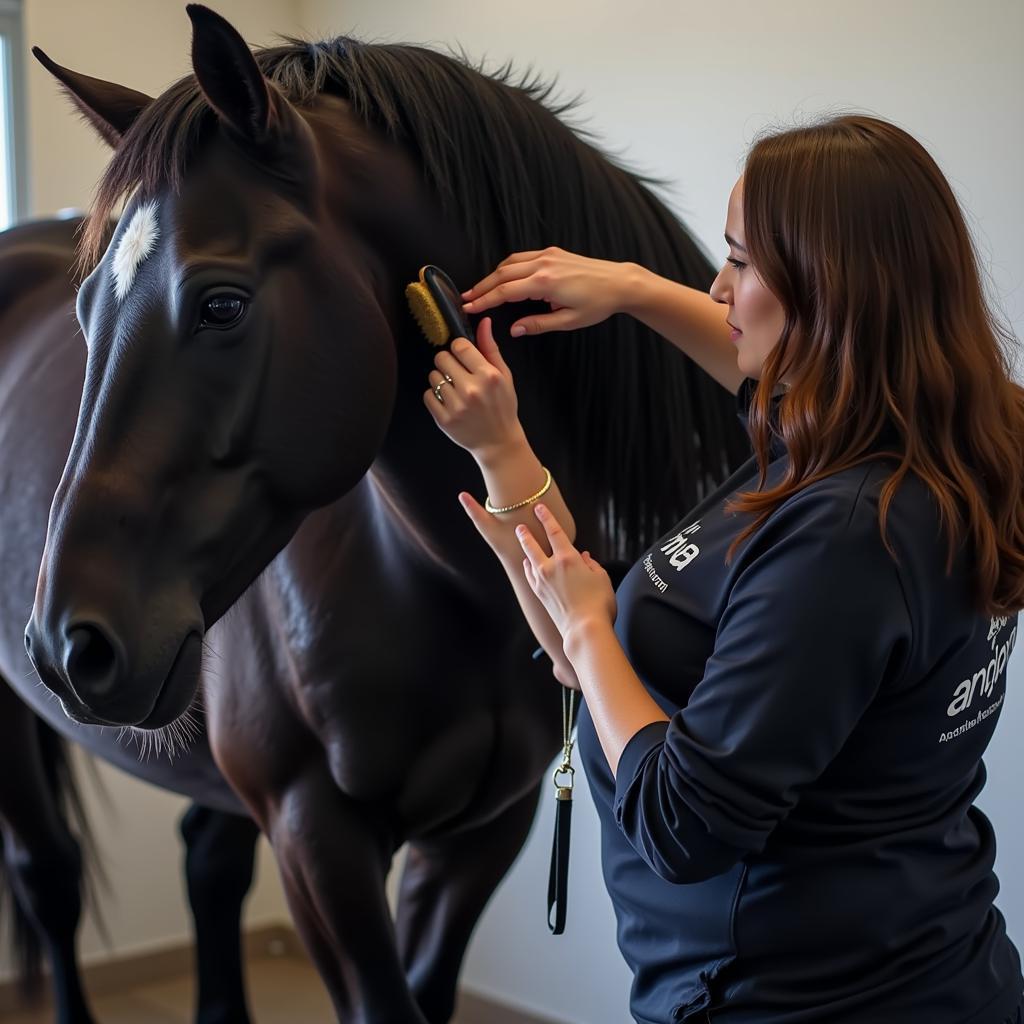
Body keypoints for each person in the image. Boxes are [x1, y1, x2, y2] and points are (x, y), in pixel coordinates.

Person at [422, 114, 1024, 1024]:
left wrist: (588, 632)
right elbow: (766, 380)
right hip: (926, 959)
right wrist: (626, 291)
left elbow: (682, 821)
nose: (718, 288)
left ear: (832, 290)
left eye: (741, 262)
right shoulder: (961, 434)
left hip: (790, 998)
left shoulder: (847, 538)